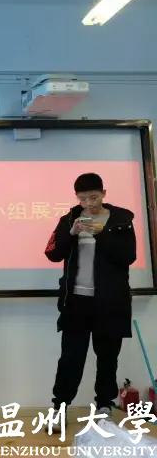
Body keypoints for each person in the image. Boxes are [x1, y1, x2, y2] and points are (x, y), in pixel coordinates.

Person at [45, 172, 136, 419]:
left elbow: (128, 256)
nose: (88, 203)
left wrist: (101, 234)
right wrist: (71, 233)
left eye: (93, 197)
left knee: (107, 357)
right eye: (83, 198)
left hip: (110, 301)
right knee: (70, 358)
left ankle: (104, 404)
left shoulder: (121, 219)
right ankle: (60, 406)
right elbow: (52, 253)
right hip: (76, 301)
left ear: (104, 193)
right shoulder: (69, 219)